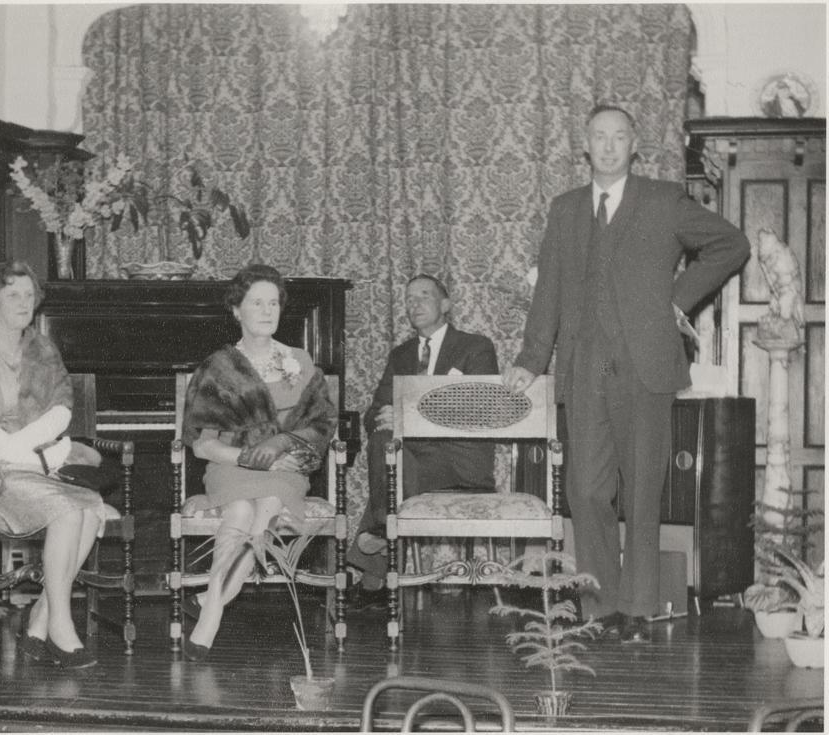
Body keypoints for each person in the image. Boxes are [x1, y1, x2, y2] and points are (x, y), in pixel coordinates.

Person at [503, 104, 750, 643]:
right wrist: (529, 359)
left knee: (642, 493)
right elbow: (548, 292)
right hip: (584, 369)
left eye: (619, 137)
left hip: (646, 369)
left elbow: (732, 245)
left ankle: (638, 611)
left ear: (634, 145)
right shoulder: (565, 209)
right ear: (585, 146)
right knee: (586, 493)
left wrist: (677, 302)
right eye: (599, 136)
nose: (609, 146)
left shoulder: (662, 201)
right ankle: (601, 604)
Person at [0, 260, 106, 669]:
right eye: (13, 293)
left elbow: (61, 409)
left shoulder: (41, 347)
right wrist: (48, 453)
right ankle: (61, 628)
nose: (23, 302)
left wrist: (42, 455)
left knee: (89, 507)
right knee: (69, 512)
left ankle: (41, 615)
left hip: (40, 471)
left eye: (29, 295)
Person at [180, 263, 337, 662]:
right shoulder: (218, 366)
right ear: (237, 310)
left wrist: (282, 447)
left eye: (273, 303)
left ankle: (211, 602)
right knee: (238, 507)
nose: (267, 311)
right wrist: (253, 458)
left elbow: (321, 425)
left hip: (284, 469)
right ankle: (215, 602)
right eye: (256, 303)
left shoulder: (300, 361)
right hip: (232, 466)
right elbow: (202, 444)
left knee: (265, 507)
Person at [346, 274, 499, 609]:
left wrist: (409, 416)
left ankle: (375, 570)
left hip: (459, 461)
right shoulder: (400, 355)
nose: (414, 304)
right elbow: (372, 414)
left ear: (446, 304)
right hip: (410, 460)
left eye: (424, 296)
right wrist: (387, 417)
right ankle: (386, 531)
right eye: (409, 298)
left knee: (394, 469)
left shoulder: (476, 346)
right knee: (385, 441)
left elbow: (476, 410)